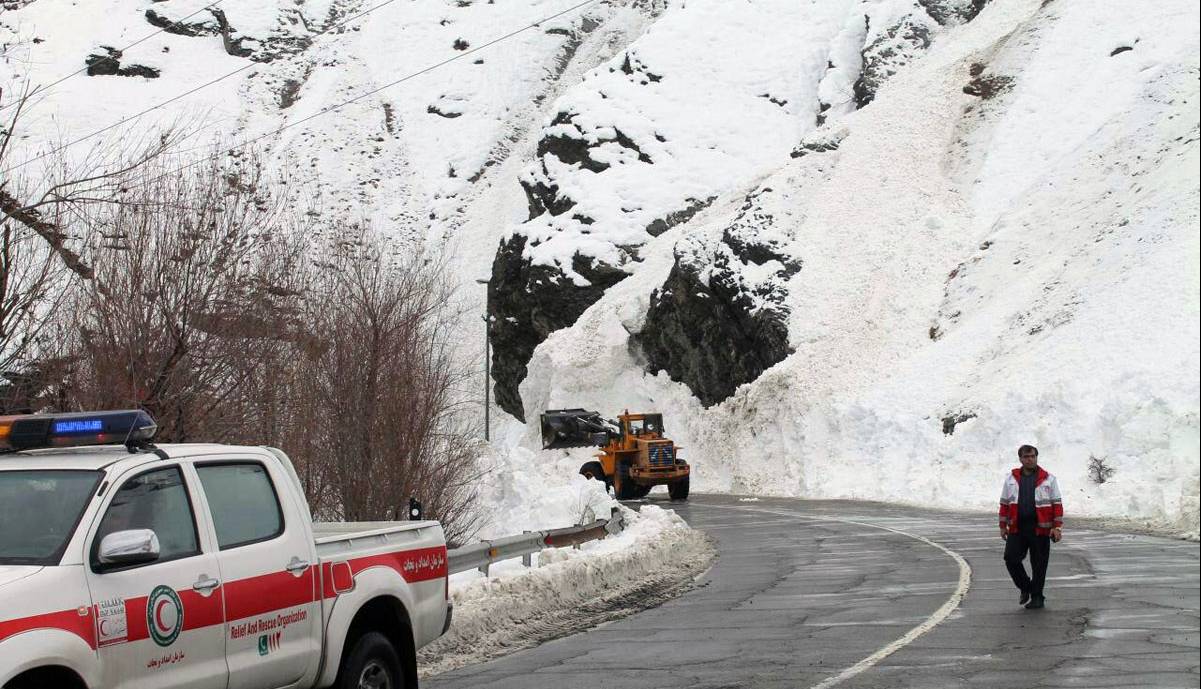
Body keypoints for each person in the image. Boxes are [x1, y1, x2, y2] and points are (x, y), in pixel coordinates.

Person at [998, 444, 1063, 609]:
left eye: (1033, 456)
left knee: (1039, 564)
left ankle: (1037, 597)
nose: (1030, 459)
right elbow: (1005, 503)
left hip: (1040, 528)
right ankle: (1026, 587)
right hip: (1017, 528)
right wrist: (1002, 525)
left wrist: (1057, 527)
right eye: (1026, 457)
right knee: (1011, 558)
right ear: (1020, 459)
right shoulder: (1011, 479)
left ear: (1036, 457)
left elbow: (1057, 504)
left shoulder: (1049, 479)